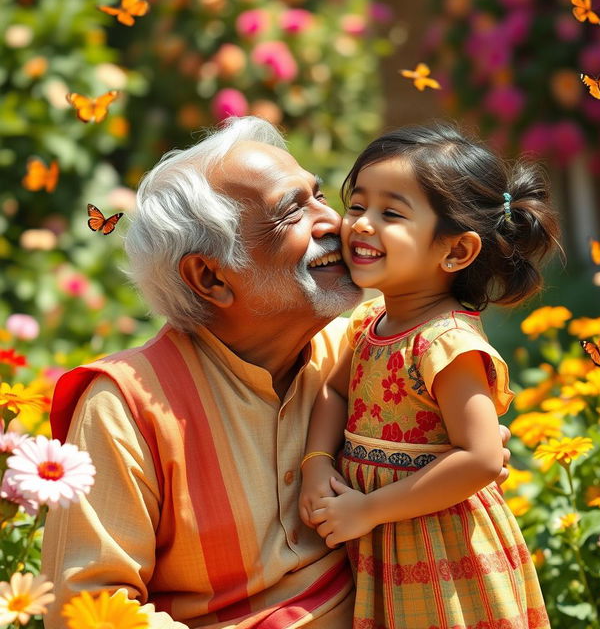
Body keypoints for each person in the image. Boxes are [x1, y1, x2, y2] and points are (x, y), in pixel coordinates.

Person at [42, 117, 512, 628]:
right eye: (292, 211)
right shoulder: (123, 407)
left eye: (321, 196)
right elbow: (85, 610)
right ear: (210, 276)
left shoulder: (362, 345)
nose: (336, 222)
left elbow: (474, 454)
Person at [299, 124, 558, 629]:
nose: (361, 225)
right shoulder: (369, 323)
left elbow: (481, 457)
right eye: (357, 205)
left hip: (442, 545)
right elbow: (334, 389)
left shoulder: (446, 344)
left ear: (456, 252)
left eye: (391, 213)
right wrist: (315, 462)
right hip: (382, 534)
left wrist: (371, 509)